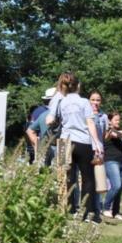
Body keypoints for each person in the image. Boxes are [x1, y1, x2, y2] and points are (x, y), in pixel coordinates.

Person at [47, 72, 105, 223]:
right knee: (87, 178)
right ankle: (86, 213)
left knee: (65, 178)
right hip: (83, 142)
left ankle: (66, 209)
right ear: (78, 86)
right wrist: (97, 143)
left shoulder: (60, 101)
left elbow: (50, 120)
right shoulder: (85, 102)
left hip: (65, 141)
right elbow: (90, 123)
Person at [26, 87, 58, 166]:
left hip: (43, 147)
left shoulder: (39, 112)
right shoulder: (61, 113)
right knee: (60, 175)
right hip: (59, 147)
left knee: (44, 172)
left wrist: (37, 146)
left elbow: (30, 130)